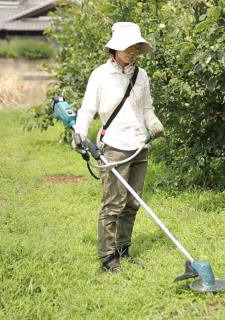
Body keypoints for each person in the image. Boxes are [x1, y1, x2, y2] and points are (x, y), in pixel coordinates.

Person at [73, 22, 164, 272]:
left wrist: (154, 123)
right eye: (127, 46)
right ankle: (108, 258)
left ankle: (123, 251)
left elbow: (146, 108)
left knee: (132, 204)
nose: (132, 51)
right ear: (114, 48)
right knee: (114, 204)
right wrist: (79, 133)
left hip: (139, 146)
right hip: (114, 147)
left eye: (135, 46)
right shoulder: (100, 75)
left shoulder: (142, 76)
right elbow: (88, 109)